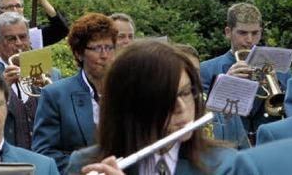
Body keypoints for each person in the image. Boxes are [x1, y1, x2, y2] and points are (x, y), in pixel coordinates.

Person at [67, 40, 236, 175]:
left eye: (185, 93)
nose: (182, 108)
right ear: (130, 106)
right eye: (166, 98)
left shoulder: (225, 165)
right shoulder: (86, 164)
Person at [32, 13, 117, 172]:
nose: (105, 55)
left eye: (109, 47)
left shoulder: (128, 93)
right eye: (97, 48)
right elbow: (44, 154)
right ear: (79, 53)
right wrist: (90, 169)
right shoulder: (55, 94)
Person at [199, 3, 291, 140]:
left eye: (255, 33)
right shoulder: (206, 69)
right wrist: (225, 84)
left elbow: (291, 110)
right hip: (231, 145)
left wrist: (277, 83)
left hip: (270, 143)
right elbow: (202, 117)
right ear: (228, 32)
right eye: (242, 33)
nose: (249, 40)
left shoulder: (280, 69)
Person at [0, 11, 61, 149]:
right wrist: (1, 88)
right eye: (10, 39)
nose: (18, 44)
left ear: (29, 39)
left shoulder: (53, 73)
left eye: (23, 37)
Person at [0, 0, 68, 46]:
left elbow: (61, 30)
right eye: (9, 7)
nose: (15, 10)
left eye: (18, 6)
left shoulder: (33, 32)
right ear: (0, 11)